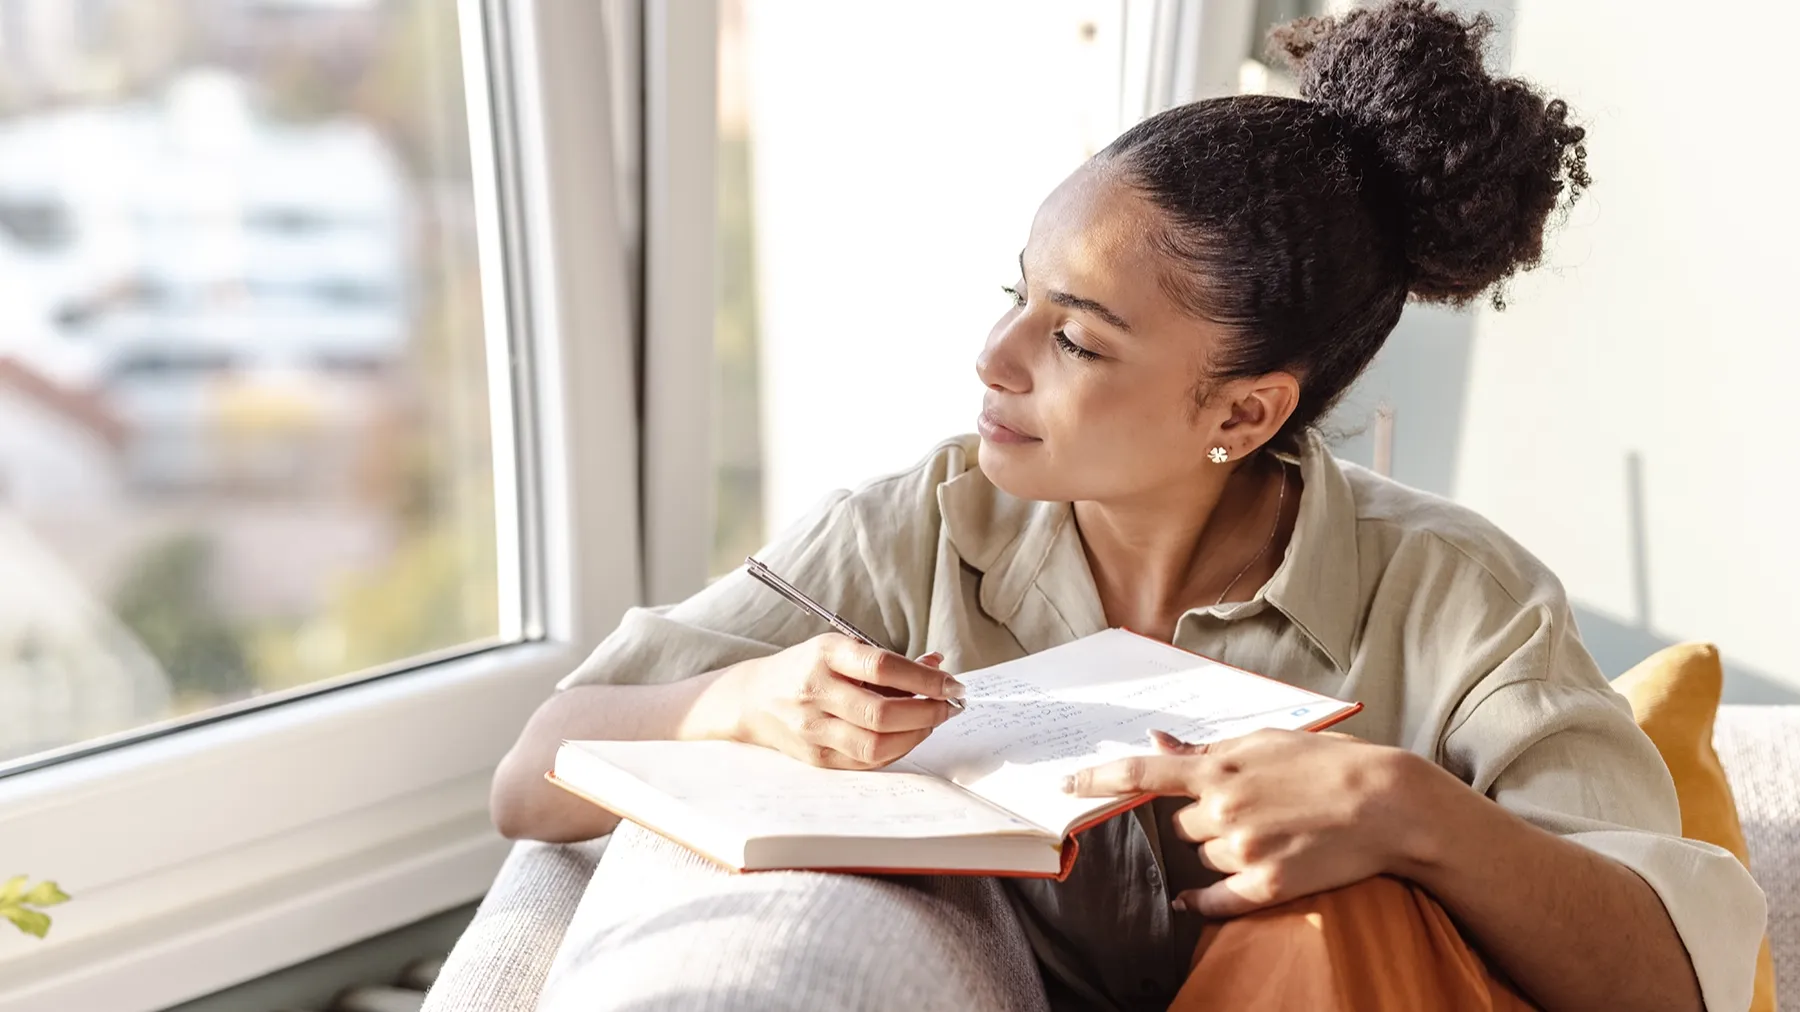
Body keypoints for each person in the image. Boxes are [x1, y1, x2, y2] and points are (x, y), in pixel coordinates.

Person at [490, 3, 1766, 1009]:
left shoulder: (1456, 596)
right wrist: (732, 705)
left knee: (1348, 915)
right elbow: (529, 777)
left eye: (1078, 341)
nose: (996, 357)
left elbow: (1664, 978)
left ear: (1242, 414)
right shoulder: (917, 529)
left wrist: (1413, 817)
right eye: (1017, 292)